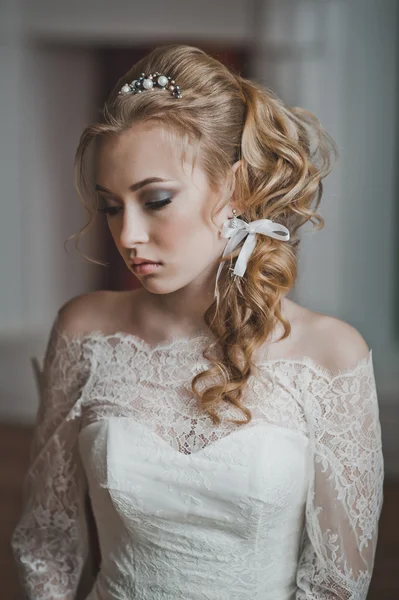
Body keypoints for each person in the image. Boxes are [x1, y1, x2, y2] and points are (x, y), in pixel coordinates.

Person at [11, 44, 384, 600]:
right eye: (112, 206)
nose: (127, 236)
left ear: (232, 188)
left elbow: (337, 583)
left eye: (156, 199)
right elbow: (49, 544)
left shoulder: (331, 355)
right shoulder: (85, 331)